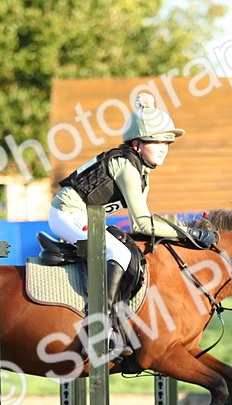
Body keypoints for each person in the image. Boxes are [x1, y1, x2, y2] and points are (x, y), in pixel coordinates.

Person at [48, 92, 218, 356]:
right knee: (118, 252)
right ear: (137, 144)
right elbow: (141, 224)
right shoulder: (126, 166)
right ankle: (99, 327)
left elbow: (146, 220)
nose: (164, 147)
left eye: (167, 142)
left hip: (84, 217)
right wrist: (188, 233)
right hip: (67, 215)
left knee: (128, 249)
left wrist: (185, 231)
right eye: (157, 141)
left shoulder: (140, 170)